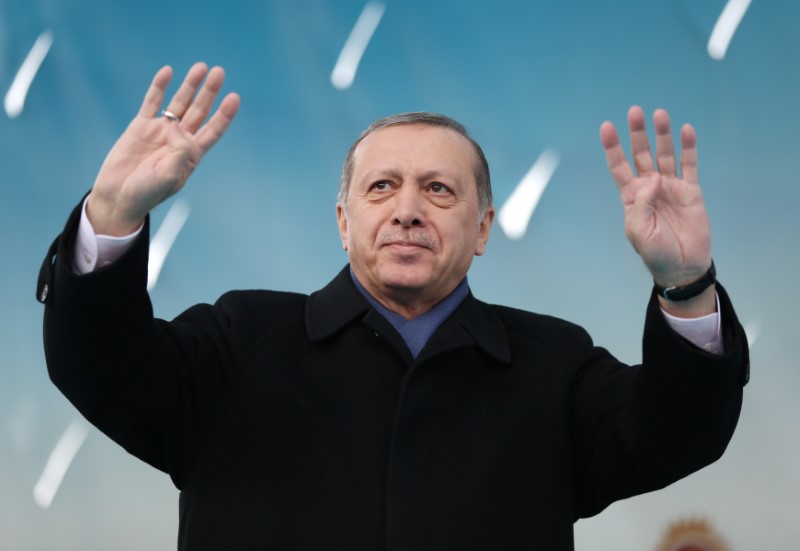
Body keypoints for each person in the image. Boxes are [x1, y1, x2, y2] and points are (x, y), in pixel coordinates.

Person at [38, 63, 749, 550]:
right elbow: (98, 362)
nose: (407, 210)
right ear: (343, 220)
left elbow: (679, 429)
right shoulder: (238, 339)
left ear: (483, 229)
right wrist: (111, 213)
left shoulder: (553, 365)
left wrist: (686, 284)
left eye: (439, 190)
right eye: (382, 188)